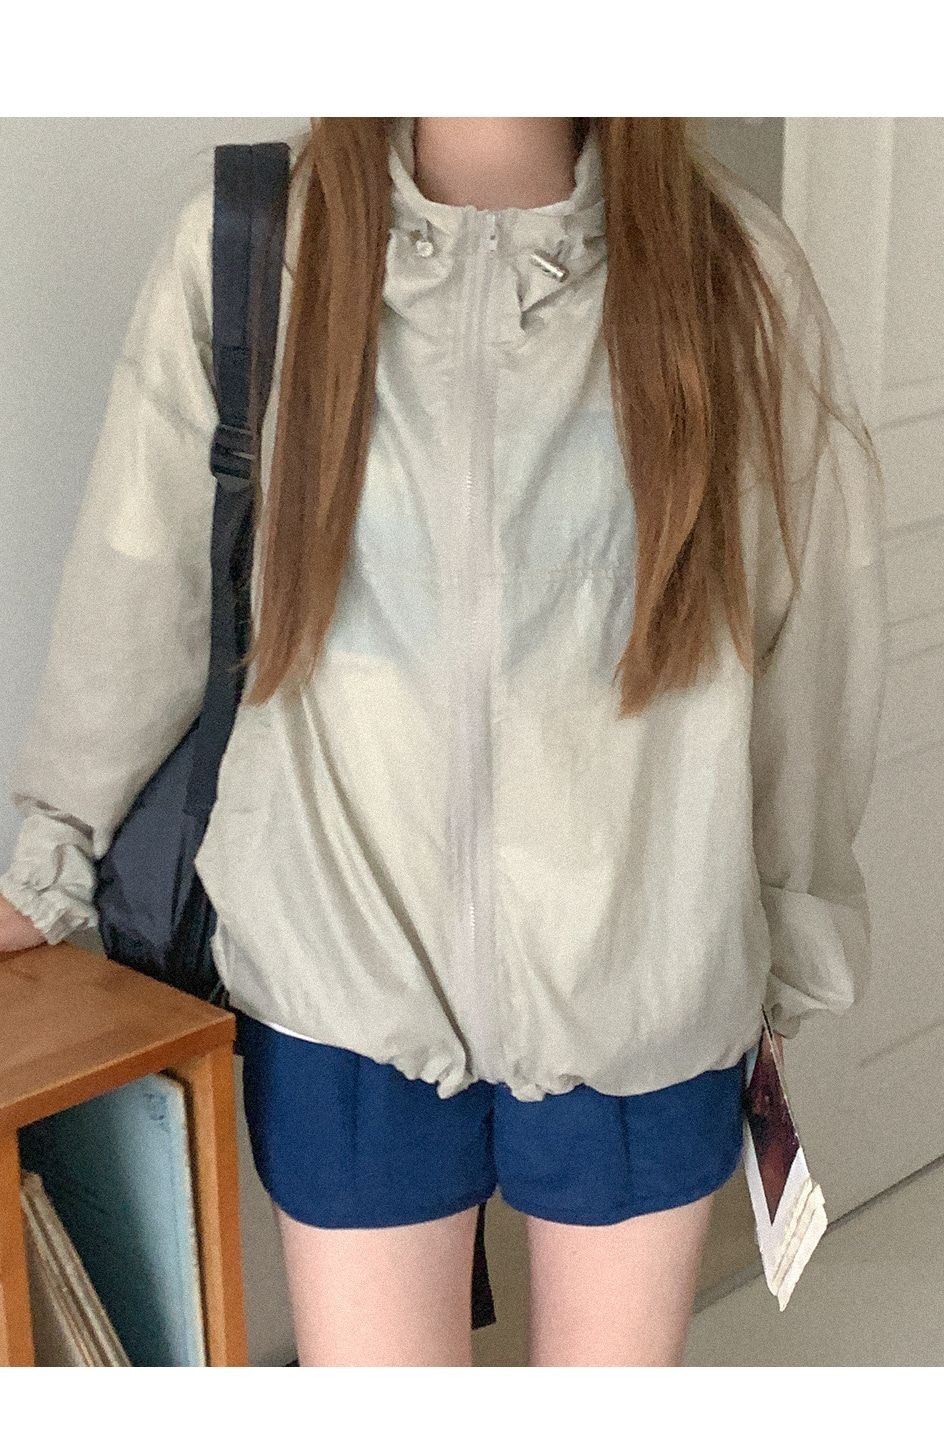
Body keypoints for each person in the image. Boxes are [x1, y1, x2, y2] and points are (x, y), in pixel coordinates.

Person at [0, 117, 888, 1366]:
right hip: (338, 975)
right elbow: (141, 582)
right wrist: (50, 857)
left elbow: (808, 636)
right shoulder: (252, 244)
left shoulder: (733, 266)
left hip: (644, 970)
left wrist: (785, 945)